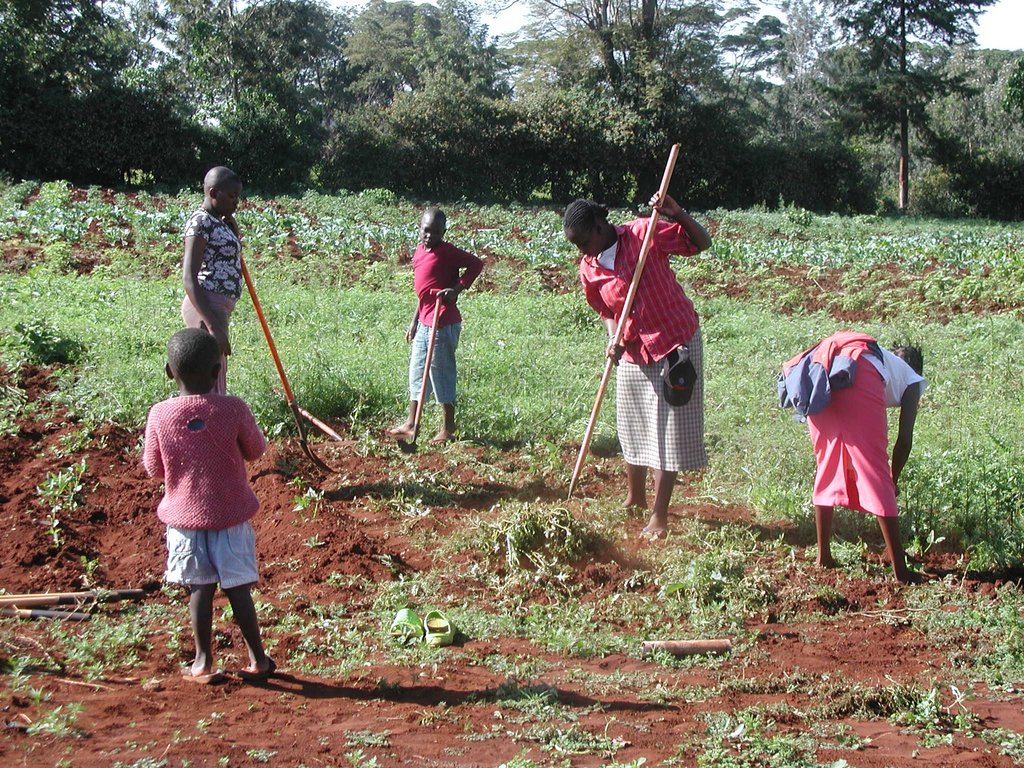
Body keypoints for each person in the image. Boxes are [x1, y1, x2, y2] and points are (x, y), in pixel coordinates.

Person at [563, 193, 713, 539]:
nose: (583, 252)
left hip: (675, 343)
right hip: (632, 349)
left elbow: (700, 243)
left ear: (600, 226)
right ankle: (635, 498)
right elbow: (606, 311)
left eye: (586, 242)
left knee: (668, 431)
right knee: (633, 425)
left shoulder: (643, 233)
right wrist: (613, 337)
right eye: (578, 247)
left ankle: (659, 516)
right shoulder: (590, 267)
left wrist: (679, 214)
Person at [143, 328, 276, 683]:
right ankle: (258, 659)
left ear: (169, 371)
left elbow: (154, 468)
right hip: (231, 516)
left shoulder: (160, 415)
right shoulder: (233, 409)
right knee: (238, 589)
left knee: (199, 589)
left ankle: (202, 662)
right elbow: (256, 450)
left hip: (185, 520)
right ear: (218, 371)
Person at [781, 332, 926, 583]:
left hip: (819, 370)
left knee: (826, 463)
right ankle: (900, 571)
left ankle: (823, 557)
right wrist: (893, 479)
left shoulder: (883, 360)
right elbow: (904, 441)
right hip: (854, 372)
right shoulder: (912, 379)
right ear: (917, 368)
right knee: (876, 472)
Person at [389, 207, 483, 445]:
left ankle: (449, 428)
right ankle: (411, 423)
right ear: (420, 228)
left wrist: (456, 289)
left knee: (441, 374)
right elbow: (423, 293)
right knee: (417, 372)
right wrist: (414, 321)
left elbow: (476, 264)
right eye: (426, 230)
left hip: (443, 322)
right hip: (424, 321)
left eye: (436, 232)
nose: (430, 236)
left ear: (444, 232)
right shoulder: (420, 251)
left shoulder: (448, 252)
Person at [182, 166, 244, 394]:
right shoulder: (200, 222)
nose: (236, 202)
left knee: (216, 371)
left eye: (237, 196)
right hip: (206, 305)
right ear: (213, 193)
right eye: (232, 196)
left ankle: (214, 425)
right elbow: (189, 278)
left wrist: (233, 231)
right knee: (207, 375)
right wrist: (213, 326)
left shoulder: (217, 221)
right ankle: (207, 425)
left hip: (219, 306)